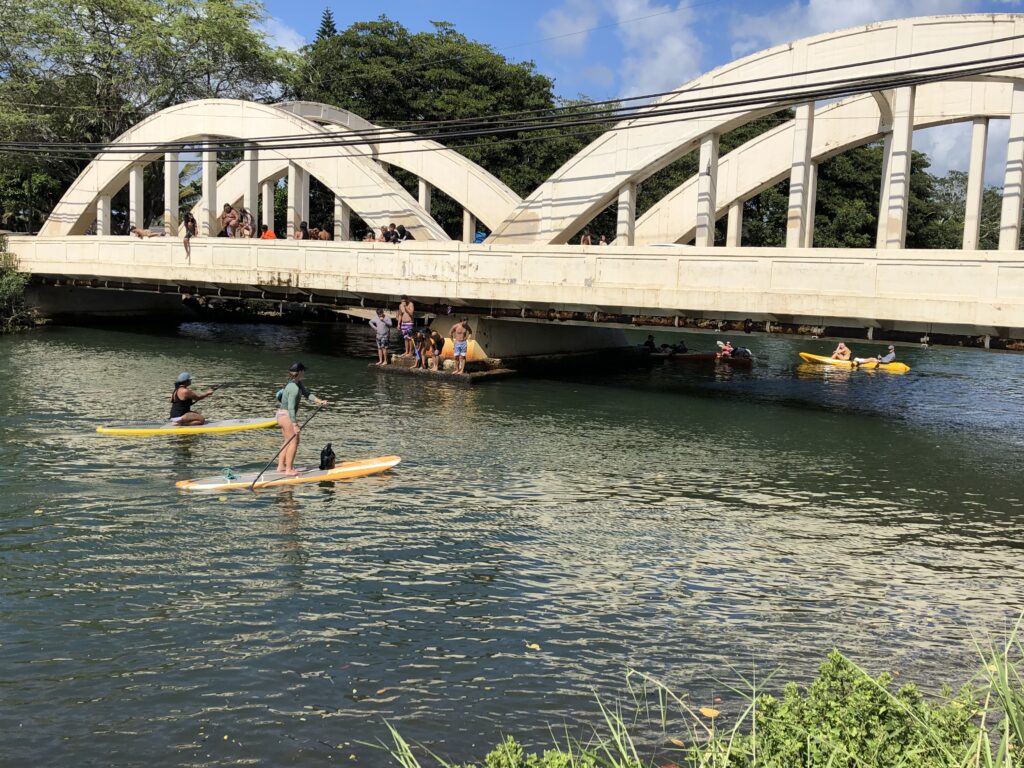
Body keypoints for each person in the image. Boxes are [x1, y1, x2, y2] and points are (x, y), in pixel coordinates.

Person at [274, 362, 328, 476]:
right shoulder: (293, 387)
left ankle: (281, 466)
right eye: (304, 371)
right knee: (294, 441)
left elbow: (307, 394)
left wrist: (320, 401)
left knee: (287, 441)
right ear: (300, 372)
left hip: (280, 414)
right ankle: (289, 470)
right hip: (286, 415)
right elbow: (290, 407)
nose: (304, 373)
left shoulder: (296, 383)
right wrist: (294, 424)